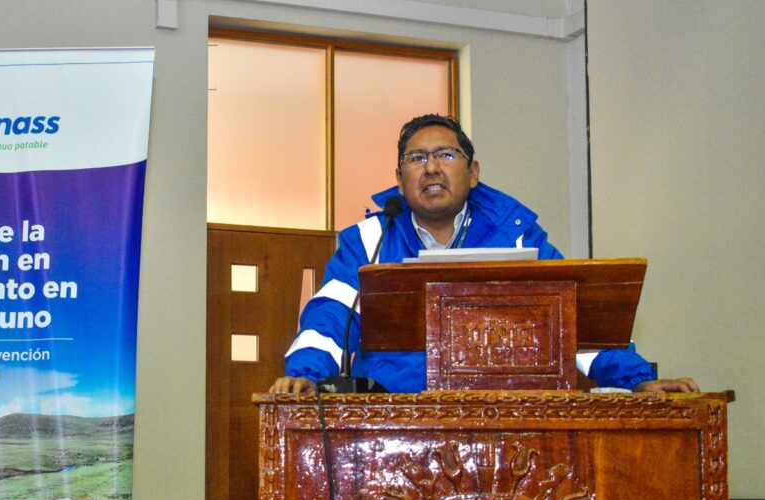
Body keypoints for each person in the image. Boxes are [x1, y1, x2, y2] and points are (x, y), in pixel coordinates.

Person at [270, 114, 699, 395]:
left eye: (446, 155)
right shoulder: (369, 241)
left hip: (501, 414)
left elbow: (571, 321)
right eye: (417, 158)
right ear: (399, 179)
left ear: (472, 173)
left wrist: (637, 381)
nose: (431, 167)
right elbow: (330, 320)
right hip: (395, 415)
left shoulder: (515, 238)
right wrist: (304, 376)